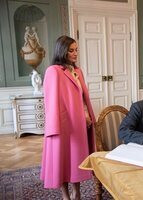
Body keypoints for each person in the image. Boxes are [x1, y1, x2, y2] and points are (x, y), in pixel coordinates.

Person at [40, 35, 96, 200]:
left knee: (76, 160)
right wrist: (53, 127)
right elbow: (50, 101)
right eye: (71, 50)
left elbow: (83, 98)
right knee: (63, 160)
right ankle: (65, 196)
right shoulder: (53, 71)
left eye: (76, 50)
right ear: (62, 51)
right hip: (63, 125)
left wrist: (87, 115)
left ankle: (76, 192)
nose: (75, 53)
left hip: (79, 125)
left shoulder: (78, 71)